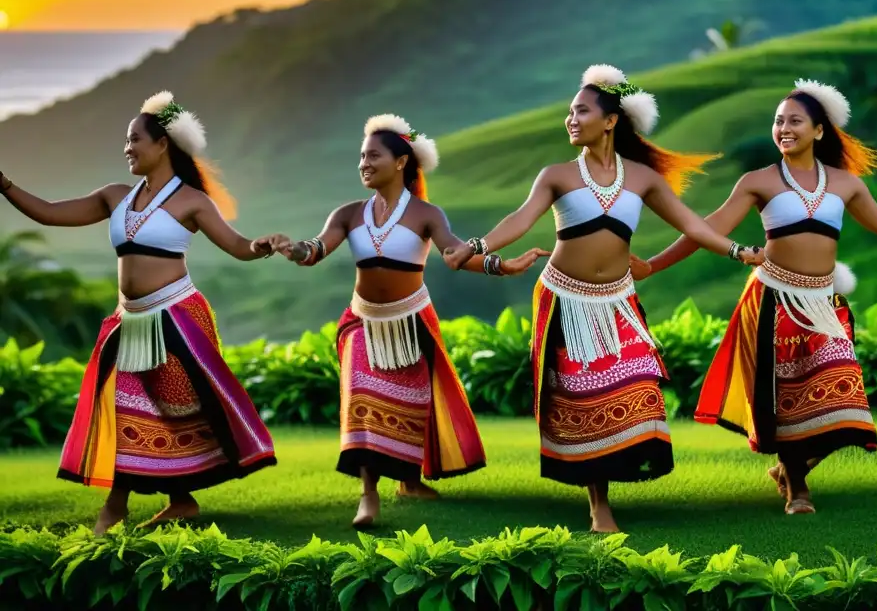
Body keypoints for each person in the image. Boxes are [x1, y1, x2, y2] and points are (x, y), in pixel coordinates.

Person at [633, 78, 877, 515]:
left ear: (819, 131)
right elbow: (707, 228)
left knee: (846, 398)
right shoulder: (758, 182)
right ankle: (797, 489)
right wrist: (651, 266)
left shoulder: (845, 184)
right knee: (788, 400)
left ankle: (790, 470)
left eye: (795, 121)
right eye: (778, 121)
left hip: (823, 303)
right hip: (774, 300)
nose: (784, 128)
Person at [444, 64, 763, 533]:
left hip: (617, 302)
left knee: (637, 386)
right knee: (581, 396)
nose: (571, 119)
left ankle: (614, 479)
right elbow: (520, 218)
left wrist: (740, 251)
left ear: (610, 120)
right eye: (569, 112)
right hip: (566, 300)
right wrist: (478, 247)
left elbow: (694, 226)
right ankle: (599, 506)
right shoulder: (555, 175)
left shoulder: (642, 178)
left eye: (581, 111)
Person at [0, 92, 277, 535]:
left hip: (177, 318)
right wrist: (5, 184)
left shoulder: (192, 201)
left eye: (134, 139)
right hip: (129, 320)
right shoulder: (115, 197)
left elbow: (237, 246)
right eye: (125, 141)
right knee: (128, 406)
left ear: (162, 143)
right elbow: (51, 215)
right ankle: (160, 502)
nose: (127, 148)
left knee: (177, 410)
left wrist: (260, 247)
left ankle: (137, 504)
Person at [256, 114, 548, 528]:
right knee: (364, 404)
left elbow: (454, 255)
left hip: (410, 321)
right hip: (362, 321)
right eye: (360, 156)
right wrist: (291, 248)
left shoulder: (426, 214)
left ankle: (410, 481)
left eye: (373, 155)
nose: (363, 163)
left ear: (400, 162)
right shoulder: (349, 213)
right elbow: (316, 250)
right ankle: (368, 495)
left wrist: (502, 265)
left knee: (409, 408)